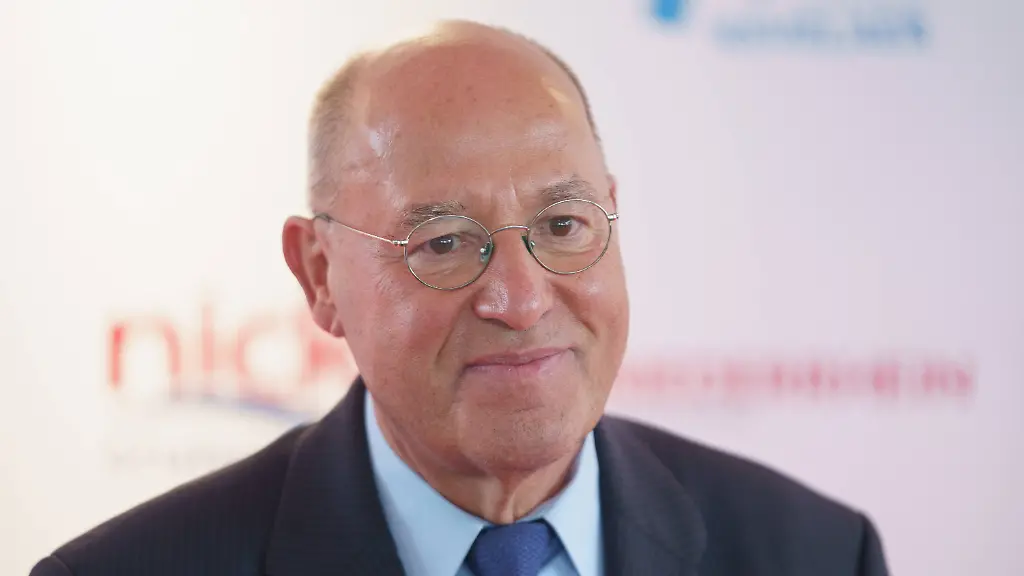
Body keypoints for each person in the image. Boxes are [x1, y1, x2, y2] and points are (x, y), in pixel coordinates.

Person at [31, 20, 889, 576]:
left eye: (562, 225)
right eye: (444, 243)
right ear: (320, 276)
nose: (520, 299)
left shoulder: (814, 553)